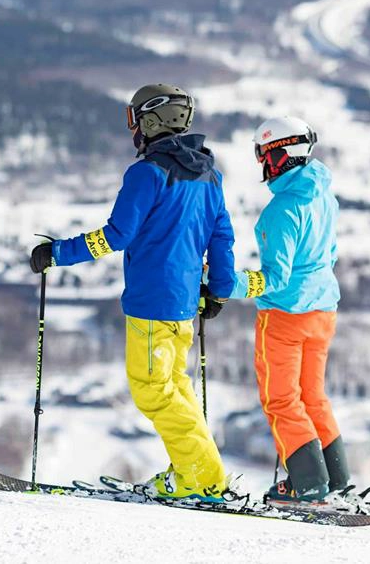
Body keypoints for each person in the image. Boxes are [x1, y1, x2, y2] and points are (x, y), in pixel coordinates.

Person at [29, 84, 236, 502]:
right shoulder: (208, 175)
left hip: (152, 302)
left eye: (135, 119)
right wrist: (219, 292)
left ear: (152, 120)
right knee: (176, 389)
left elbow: (117, 235)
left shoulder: (147, 172)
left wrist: (57, 253)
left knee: (152, 390)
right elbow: (222, 237)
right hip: (181, 308)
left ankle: (204, 478)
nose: (134, 130)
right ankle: (191, 472)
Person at [209, 115, 349, 502]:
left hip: (285, 317)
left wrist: (226, 283)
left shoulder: (281, 211)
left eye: (264, 158)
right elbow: (330, 255)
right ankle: (336, 479)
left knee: (282, 399)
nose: (262, 168)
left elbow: (276, 279)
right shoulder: (324, 195)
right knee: (313, 397)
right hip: (323, 311)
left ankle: (307, 483)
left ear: (281, 155)